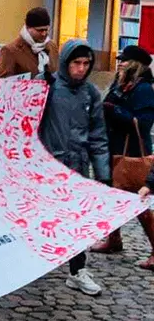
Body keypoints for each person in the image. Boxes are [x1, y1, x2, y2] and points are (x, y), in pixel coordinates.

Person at [38, 40, 108, 296]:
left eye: (86, 64)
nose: (80, 68)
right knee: (41, 221)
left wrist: (103, 175)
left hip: (77, 167)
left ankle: (77, 271)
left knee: (77, 221)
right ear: (66, 63)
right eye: (76, 63)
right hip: (47, 167)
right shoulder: (49, 87)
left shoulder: (91, 94)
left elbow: (98, 136)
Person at [95, 45, 154, 256]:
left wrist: (115, 110)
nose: (120, 63)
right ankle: (114, 239)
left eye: (125, 60)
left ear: (136, 65)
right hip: (115, 147)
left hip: (134, 153)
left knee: (139, 203)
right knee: (112, 196)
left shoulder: (144, 88)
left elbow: (144, 123)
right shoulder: (120, 84)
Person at [0, 7, 59, 78]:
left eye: (46, 29)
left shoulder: (52, 46)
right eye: (40, 30)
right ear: (27, 28)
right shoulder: (10, 50)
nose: (44, 34)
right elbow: (5, 82)